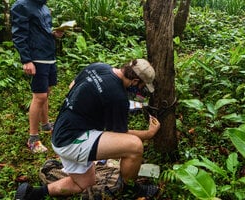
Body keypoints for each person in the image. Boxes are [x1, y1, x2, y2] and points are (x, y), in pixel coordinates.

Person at [15, 59, 161, 199]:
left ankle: (33, 194)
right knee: (134, 146)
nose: (140, 90)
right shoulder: (118, 97)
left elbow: (72, 86)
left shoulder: (99, 67)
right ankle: (130, 189)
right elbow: (120, 134)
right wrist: (149, 133)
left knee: (85, 183)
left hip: (61, 132)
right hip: (73, 141)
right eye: (142, 87)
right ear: (135, 81)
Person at [11, 0, 64, 153]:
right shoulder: (22, 5)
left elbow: (42, 31)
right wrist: (26, 60)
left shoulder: (44, 6)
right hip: (36, 57)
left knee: (46, 93)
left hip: (49, 55)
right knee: (39, 96)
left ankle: (46, 125)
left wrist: (55, 34)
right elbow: (19, 34)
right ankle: (33, 138)